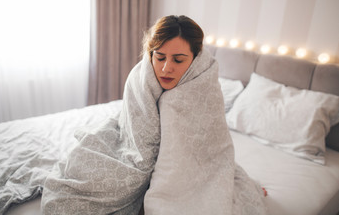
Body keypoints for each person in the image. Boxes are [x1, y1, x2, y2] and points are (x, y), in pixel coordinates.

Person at [41, 15, 267, 215]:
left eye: (178, 60)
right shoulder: (141, 76)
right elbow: (134, 132)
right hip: (132, 147)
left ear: (195, 59)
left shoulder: (205, 88)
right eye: (160, 57)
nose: (166, 68)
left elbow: (210, 144)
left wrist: (234, 175)